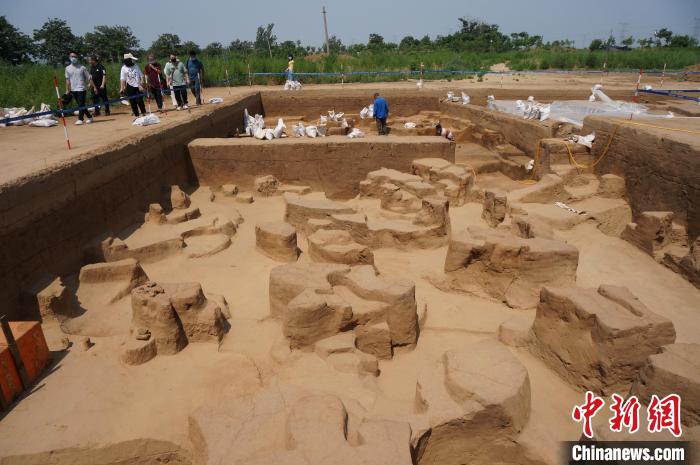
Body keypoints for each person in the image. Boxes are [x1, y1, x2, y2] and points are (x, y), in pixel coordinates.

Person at [65, 51, 93, 125]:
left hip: (81, 88)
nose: (73, 58)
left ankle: (80, 119)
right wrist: (67, 89)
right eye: (72, 56)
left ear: (77, 58)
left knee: (80, 104)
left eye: (75, 56)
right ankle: (90, 117)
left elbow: (89, 77)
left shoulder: (82, 67)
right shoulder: (67, 68)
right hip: (73, 89)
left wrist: (90, 83)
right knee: (81, 105)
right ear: (69, 57)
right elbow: (67, 80)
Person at [120, 53, 147, 118]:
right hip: (129, 86)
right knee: (132, 102)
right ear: (128, 60)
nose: (133, 61)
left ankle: (143, 113)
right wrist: (122, 88)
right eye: (132, 60)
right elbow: (122, 79)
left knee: (139, 100)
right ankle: (137, 115)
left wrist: (142, 81)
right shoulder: (123, 68)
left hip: (138, 86)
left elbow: (141, 75)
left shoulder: (136, 65)